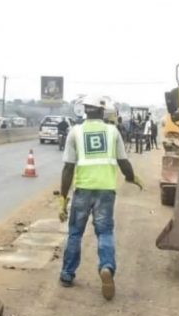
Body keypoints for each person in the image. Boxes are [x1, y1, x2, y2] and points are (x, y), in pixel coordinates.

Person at [58, 95, 143, 300]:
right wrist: (132, 178)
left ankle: (67, 274)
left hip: (83, 189)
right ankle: (106, 267)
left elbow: (68, 168)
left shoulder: (75, 132)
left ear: (86, 110)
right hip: (106, 191)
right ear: (102, 111)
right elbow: (123, 161)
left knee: (75, 233)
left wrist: (63, 198)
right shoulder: (112, 131)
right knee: (104, 232)